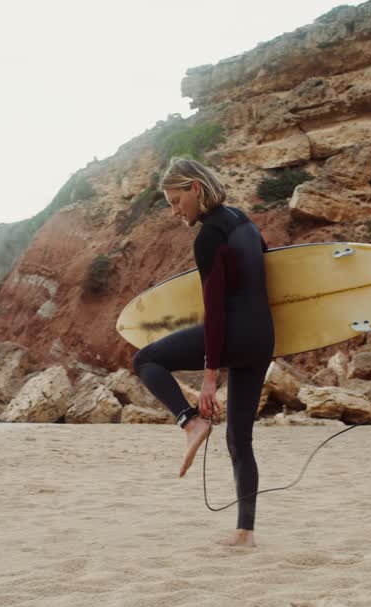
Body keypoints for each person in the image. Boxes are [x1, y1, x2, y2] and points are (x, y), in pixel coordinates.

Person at [132, 157, 274, 548]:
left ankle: (189, 422)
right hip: (262, 340)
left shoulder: (209, 236)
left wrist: (209, 379)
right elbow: (271, 270)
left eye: (177, 201)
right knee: (239, 439)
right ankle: (245, 532)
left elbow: (214, 310)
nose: (175, 211)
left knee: (145, 360)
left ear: (196, 188)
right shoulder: (243, 220)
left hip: (233, 333)